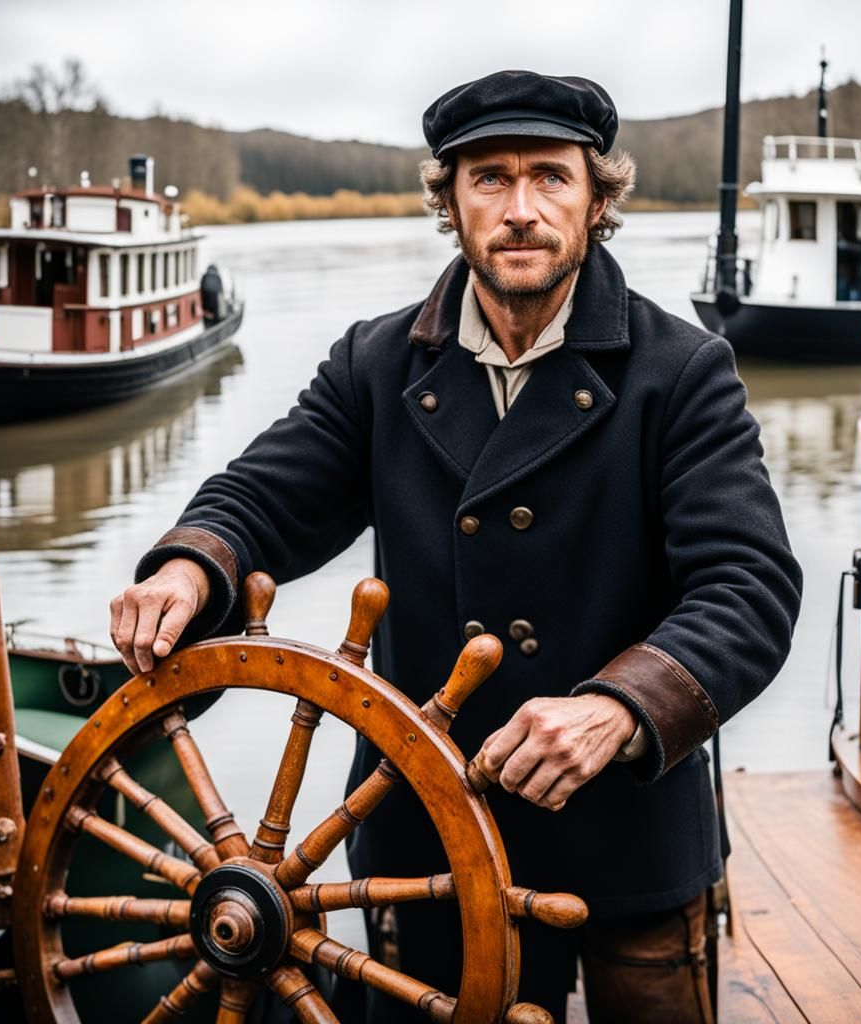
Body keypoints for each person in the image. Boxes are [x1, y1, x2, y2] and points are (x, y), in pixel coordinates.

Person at [110, 70, 802, 1023]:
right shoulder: (376, 363)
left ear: (597, 200)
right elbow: (263, 497)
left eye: (550, 177)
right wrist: (192, 564)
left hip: (626, 833)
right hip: (424, 840)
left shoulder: (683, 371)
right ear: (450, 201)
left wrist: (615, 710)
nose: (521, 209)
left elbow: (748, 585)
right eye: (490, 179)